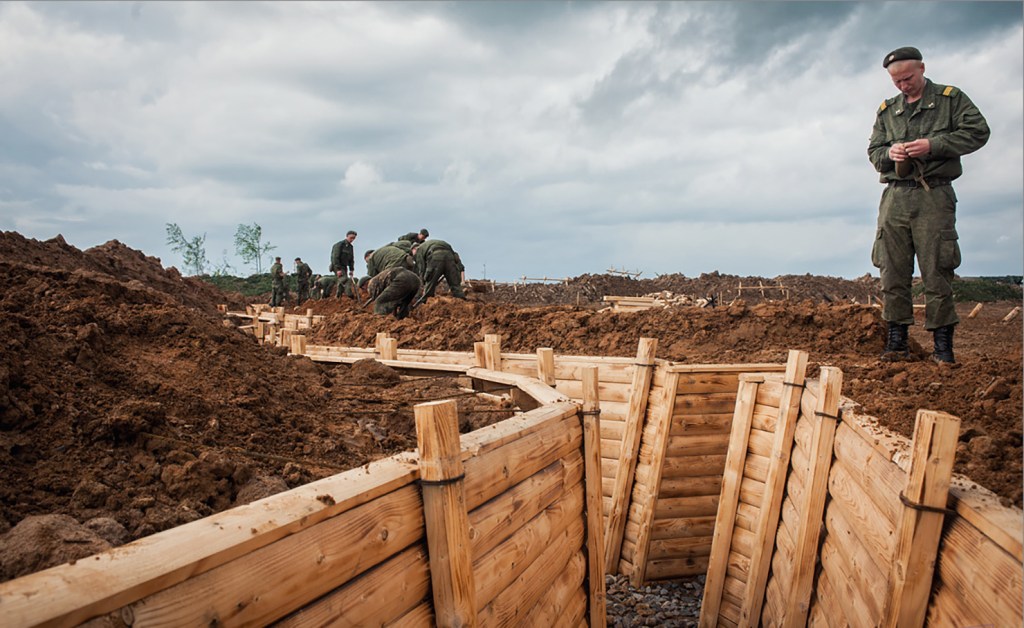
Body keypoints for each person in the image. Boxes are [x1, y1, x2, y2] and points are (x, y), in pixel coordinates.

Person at [867, 46, 989, 364]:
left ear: (921, 68)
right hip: (895, 196)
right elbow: (874, 150)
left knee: (936, 271)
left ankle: (942, 347)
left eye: (908, 78)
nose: (903, 86)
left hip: (934, 194)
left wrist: (934, 145)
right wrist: (889, 154)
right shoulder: (887, 110)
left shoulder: (950, 99)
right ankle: (897, 343)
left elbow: (978, 132)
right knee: (892, 270)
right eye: (896, 82)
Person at [413, 238, 466, 304]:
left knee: (430, 282)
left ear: (414, 249)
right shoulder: (437, 243)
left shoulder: (419, 250)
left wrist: (424, 281)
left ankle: (426, 302)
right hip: (449, 257)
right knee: (455, 284)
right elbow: (456, 257)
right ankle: (461, 300)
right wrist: (459, 270)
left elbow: (421, 268)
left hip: (436, 257)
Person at [329, 231, 358, 297]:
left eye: (354, 238)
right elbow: (335, 257)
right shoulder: (339, 245)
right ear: (347, 236)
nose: (352, 240)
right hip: (337, 266)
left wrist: (351, 270)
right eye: (351, 238)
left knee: (341, 281)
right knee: (345, 280)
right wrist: (338, 269)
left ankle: (338, 297)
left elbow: (351, 259)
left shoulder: (350, 247)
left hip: (344, 266)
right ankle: (350, 296)